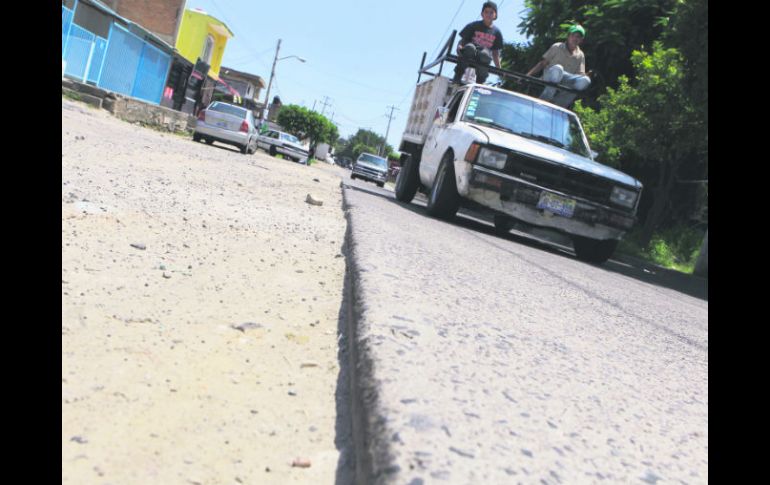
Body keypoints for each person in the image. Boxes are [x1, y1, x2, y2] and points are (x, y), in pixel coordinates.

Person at [526, 24, 592, 107]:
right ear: (568, 36)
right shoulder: (557, 46)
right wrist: (528, 75)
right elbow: (543, 63)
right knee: (558, 69)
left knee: (586, 80)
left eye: (578, 37)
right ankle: (544, 99)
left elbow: (579, 74)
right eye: (573, 35)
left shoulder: (581, 55)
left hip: (567, 79)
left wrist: (585, 76)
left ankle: (559, 104)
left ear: (581, 40)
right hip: (551, 75)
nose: (575, 38)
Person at [452, 2, 504, 85]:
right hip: (470, 53)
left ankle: (480, 81)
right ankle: (458, 76)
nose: (488, 14)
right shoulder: (474, 25)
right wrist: (459, 47)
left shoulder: (497, 32)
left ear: (495, 15)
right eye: (486, 12)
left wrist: (499, 69)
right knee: (470, 47)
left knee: (485, 54)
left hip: (483, 56)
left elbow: (495, 53)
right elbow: (463, 40)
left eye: (491, 12)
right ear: (482, 14)